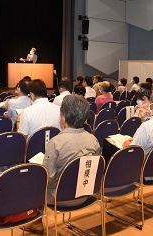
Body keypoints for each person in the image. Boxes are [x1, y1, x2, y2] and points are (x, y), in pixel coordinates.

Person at [26, 95, 100, 233]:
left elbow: (48, 178)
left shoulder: (55, 142)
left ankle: (36, 222)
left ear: (64, 118)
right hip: (84, 194)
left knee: (34, 178)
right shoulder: (93, 140)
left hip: (60, 198)